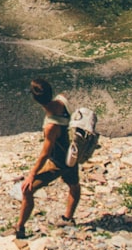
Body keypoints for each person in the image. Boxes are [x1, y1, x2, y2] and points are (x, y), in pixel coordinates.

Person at [14, 78, 81, 239]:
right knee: (74, 184)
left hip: (57, 162)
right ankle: (68, 218)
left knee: (28, 190)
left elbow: (45, 153)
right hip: (72, 156)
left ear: (36, 100)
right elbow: (66, 96)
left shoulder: (51, 126)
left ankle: (19, 228)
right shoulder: (61, 101)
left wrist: (31, 174)